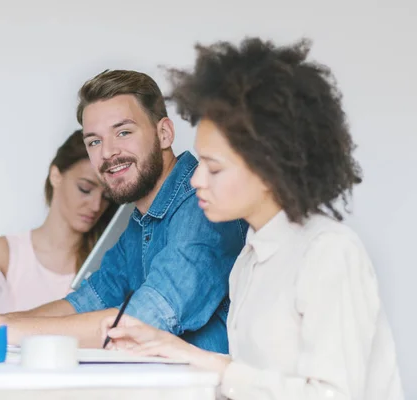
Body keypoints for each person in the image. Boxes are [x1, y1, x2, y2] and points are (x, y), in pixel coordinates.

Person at [100, 38, 404, 399]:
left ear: (268, 170)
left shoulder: (329, 252)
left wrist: (210, 364)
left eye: (213, 167)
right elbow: (253, 382)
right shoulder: (249, 260)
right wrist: (172, 350)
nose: (196, 178)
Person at [0, 69, 248, 351]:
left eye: (124, 132)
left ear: (165, 133)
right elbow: (87, 302)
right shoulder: (139, 222)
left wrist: (0, 328)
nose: (107, 153)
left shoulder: (202, 207)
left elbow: (142, 322)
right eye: (94, 141)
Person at [0, 130, 118, 317]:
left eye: (107, 196)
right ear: (56, 176)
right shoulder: (7, 253)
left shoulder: (105, 265)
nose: (96, 205)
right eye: (85, 189)